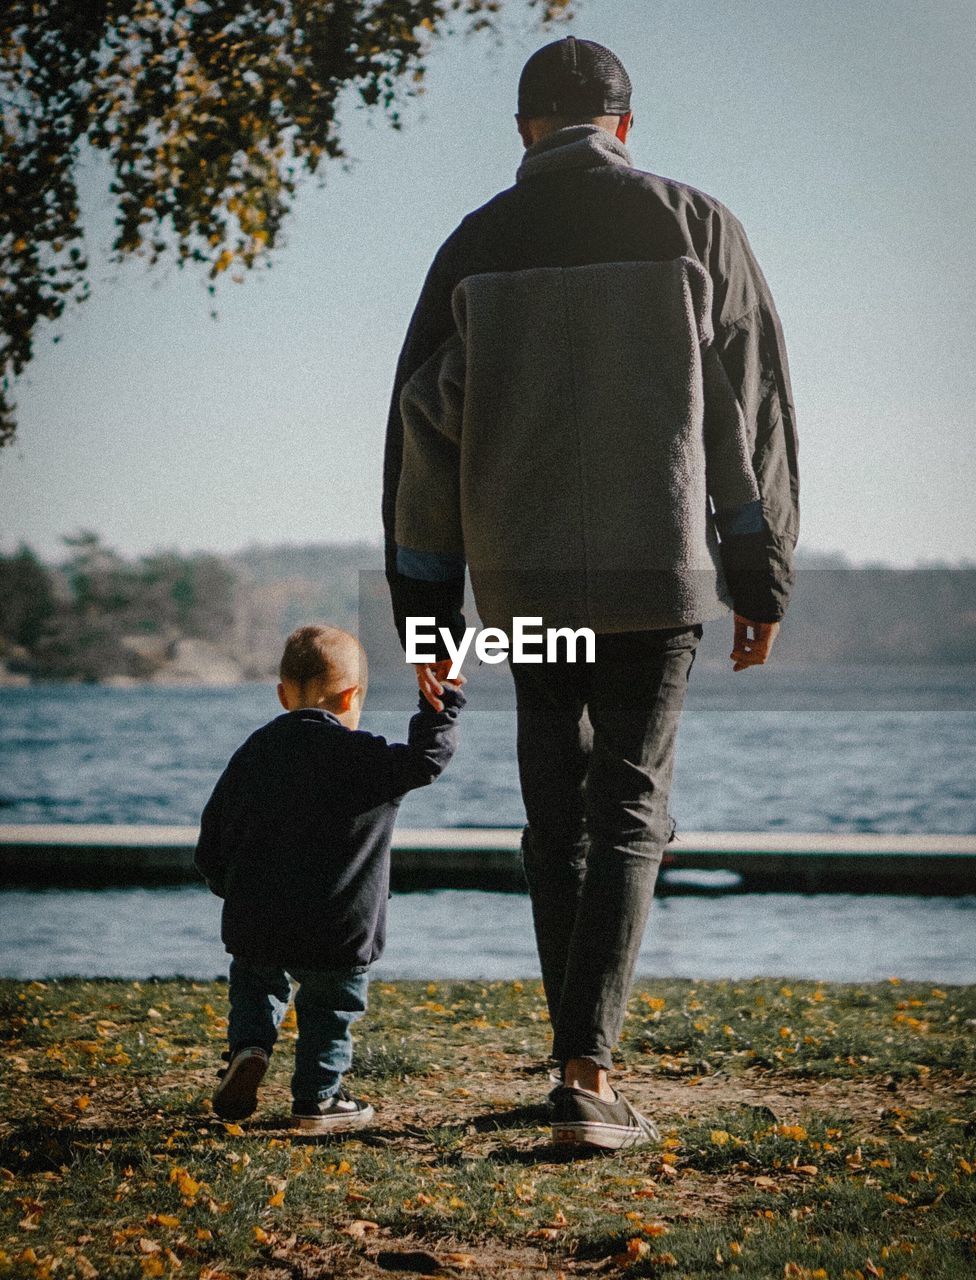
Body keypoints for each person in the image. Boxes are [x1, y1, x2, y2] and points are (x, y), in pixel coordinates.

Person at [382, 37, 798, 1149]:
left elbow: (422, 443)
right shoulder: (695, 225)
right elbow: (746, 416)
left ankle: (575, 1062)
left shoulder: (474, 242)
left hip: (531, 593)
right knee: (626, 810)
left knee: (554, 812)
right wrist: (758, 573)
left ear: (525, 128)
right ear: (623, 124)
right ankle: (586, 1070)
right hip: (654, 578)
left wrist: (429, 618)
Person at [194, 624, 464, 1132]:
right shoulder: (363, 758)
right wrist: (442, 701)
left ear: (282, 695)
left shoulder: (255, 752)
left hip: (258, 915)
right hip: (339, 924)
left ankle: (249, 1047)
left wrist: (226, 885)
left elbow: (215, 830)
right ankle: (317, 1101)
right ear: (351, 696)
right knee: (330, 1006)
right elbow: (426, 759)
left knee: (256, 984)